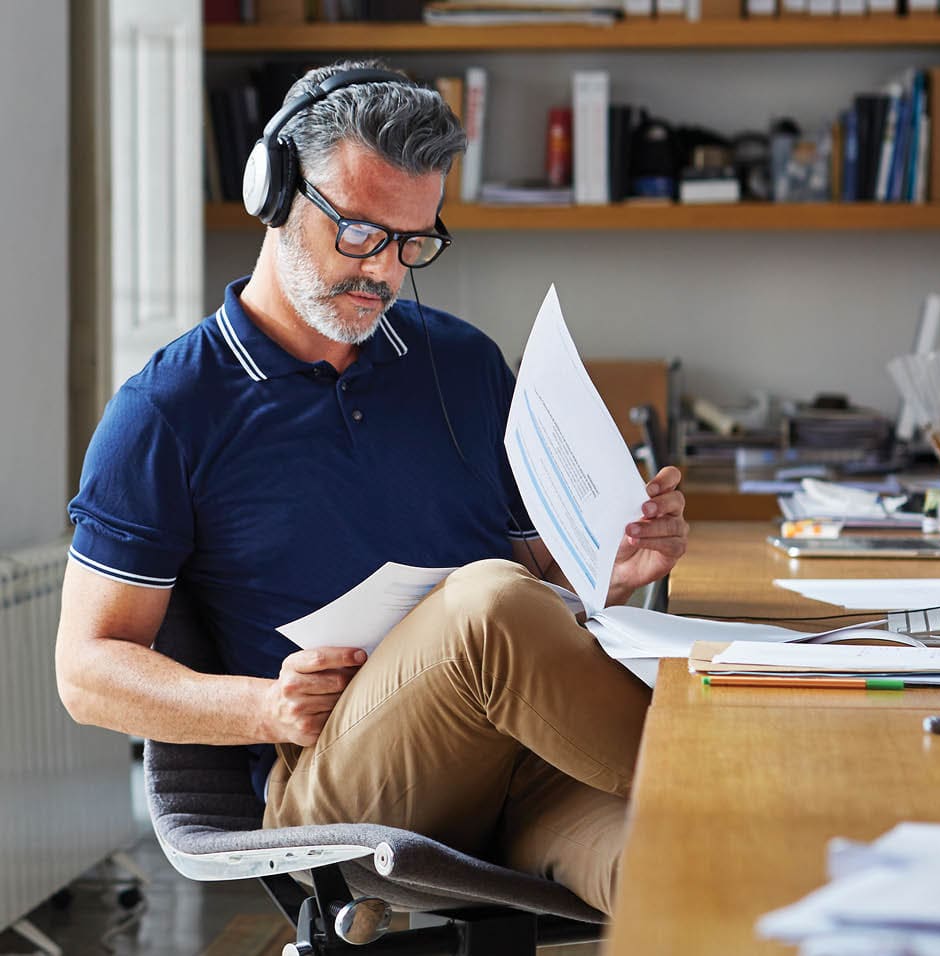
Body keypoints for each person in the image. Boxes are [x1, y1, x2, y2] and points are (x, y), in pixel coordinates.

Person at [55, 60, 688, 916]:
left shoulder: (460, 364)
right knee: (489, 605)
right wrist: (266, 707)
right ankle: (733, 768)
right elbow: (86, 671)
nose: (384, 273)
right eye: (359, 232)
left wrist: (612, 562)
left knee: (697, 867)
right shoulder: (167, 411)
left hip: (526, 767)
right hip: (347, 792)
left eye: (412, 241)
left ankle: (768, 810)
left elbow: (545, 576)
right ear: (276, 190)